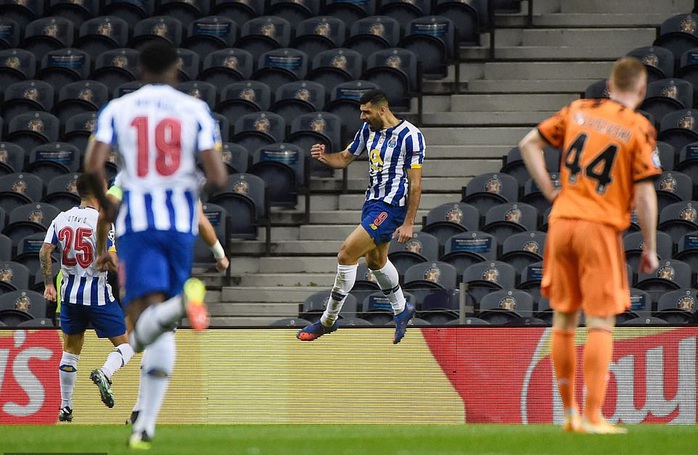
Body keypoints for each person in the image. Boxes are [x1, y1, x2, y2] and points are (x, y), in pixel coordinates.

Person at [83, 41, 226, 449]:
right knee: (161, 328)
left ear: (140, 69)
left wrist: (109, 209)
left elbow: (93, 165)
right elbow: (217, 177)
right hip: (179, 227)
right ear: (177, 68)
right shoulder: (195, 110)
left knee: (138, 326)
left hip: (137, 226)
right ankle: (144, 425)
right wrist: (186, 187)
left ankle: (182, 304)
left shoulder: (117, 109)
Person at [519, 57, 661, 434]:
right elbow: (646, 195)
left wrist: (550, 190)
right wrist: (649, 245)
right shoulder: (638, 126)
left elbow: (529, 143)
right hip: (598, 227)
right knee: (600, 321)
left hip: (562, 222)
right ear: (642, 91)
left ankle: (569, 414)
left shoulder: (578, 110)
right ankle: (595, 416)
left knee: (564, 318)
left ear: (609, 86)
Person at [296, 90, 425, 344]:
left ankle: (328, 321)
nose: (362, 117)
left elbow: (416, 184)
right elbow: (344, 159)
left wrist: (409, 222)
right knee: (376, 262)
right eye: (361, 111)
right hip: (371, 203)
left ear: (382, 110)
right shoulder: (367, 131)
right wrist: (324, 157)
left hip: (390, 207)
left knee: (346, 254)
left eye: (366, 112)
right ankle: (401, 309)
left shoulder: (411, 136)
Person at [103, 174, 230, 425]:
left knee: (138, 335)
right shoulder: (186, 174)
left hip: (138, 248)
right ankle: (141, 413)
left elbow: (107, 205)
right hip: (176, 248)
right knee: (159, 333)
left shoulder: (128, 172)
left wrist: (101, 248)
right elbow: (200, 219)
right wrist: (220, 255)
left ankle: (140, 412)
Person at [40, 174, 135, 423]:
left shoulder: (61, 218)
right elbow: (110, 258)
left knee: (70, 352)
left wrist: (49, 283)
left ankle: (66, 407)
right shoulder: (102, 222)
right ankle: (105, 372)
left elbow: (45, 251)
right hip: (98, 296)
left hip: (69, 297)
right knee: (127, 345)